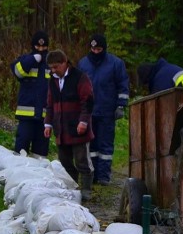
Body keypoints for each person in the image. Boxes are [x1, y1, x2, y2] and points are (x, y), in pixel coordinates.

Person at [77, 34, 129, 185]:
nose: (95, 52)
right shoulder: (83, 64)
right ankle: (91, 174)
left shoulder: (116, 64)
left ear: (104, 49)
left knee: (105, 145)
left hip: (107, 111)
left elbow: (123, 85)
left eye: (99, 49)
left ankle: (104, 176)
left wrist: (121, 105)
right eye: (93, 49)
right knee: (91, 145)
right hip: (88, 112)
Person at [43, 50, 96, 202]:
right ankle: (72, 187)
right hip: (61, 128)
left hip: (78, 127)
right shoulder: (52, 81)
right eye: (51, 68)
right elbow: (50, 103)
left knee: (82, 160)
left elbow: (88, 100)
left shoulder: (80, 77)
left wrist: (83, 121)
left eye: (56, 67)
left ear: (65, 62)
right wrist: (48, 123)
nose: (53, 71)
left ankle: (86, 189)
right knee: (64, 160)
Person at [11, 31, 52, 157]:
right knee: (21, 149)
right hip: (26, 116)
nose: (40, 49)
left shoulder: (51, 64)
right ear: (32, 46)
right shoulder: (25, 60)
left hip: (45, 117)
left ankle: (38, 176)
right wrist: (32, 60)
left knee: (40, 153)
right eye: (37, 47)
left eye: (43, 47)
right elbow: (17, 72)